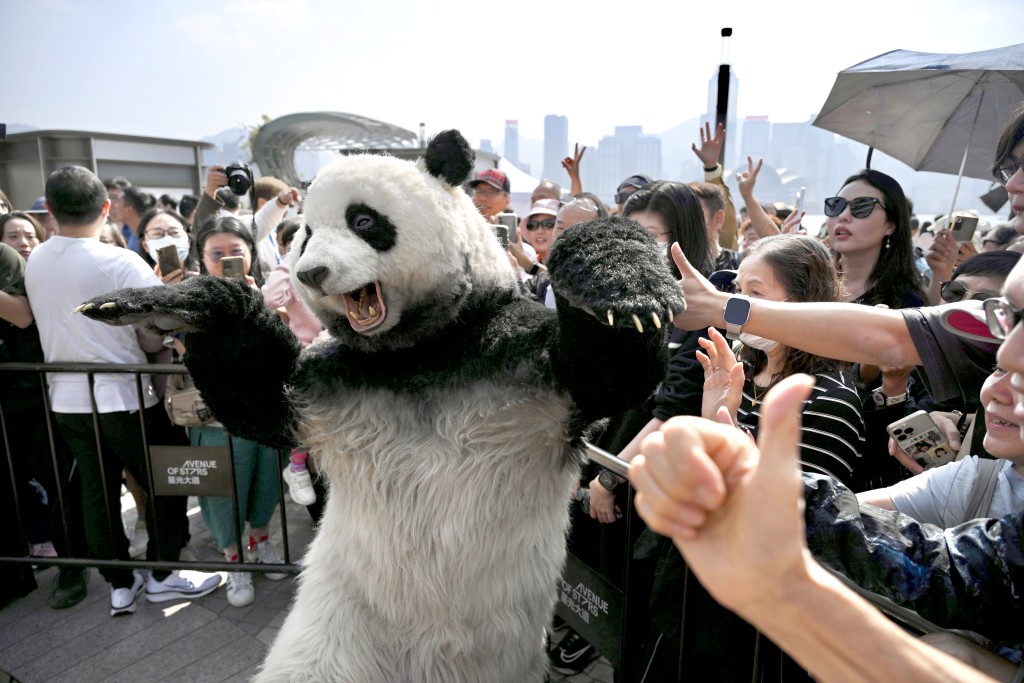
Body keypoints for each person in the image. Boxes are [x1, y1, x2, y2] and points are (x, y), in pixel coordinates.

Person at [629, 375, 1002, 683]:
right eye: (999, 369)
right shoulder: (973, 476)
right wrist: (757, 491)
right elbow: (936, 561)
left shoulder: (834, 400)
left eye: (755, 294)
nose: (995, 390)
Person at [26, 166, 220, 617]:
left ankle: (120, 582)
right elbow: (158, 330)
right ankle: (164, 575)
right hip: (124, 395)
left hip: (67, 399)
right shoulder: (118, 261)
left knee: (97, 490)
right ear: (106, 207)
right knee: (169, 479)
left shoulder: (37, 258)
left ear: (50, 210)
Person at [698, 235, 866, 488]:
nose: (739, 303)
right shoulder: (739, 371)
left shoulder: (830, 400)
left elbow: (808, 512)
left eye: (755, 292)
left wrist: (731, 434)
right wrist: (715, 418)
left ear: (803, 302)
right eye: (738, 290)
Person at [189, 214, 288, 608]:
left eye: (236, 251)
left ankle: (261, 541)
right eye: (217, 254)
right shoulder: (189, 298)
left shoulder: (264, 294)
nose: (227, 259)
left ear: (251, 254)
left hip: (262, 412)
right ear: (202, 258)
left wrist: (259, 308)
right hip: (214, 419)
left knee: (266, 481)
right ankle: (234, 560)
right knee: (222, 493)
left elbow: (283, 345)